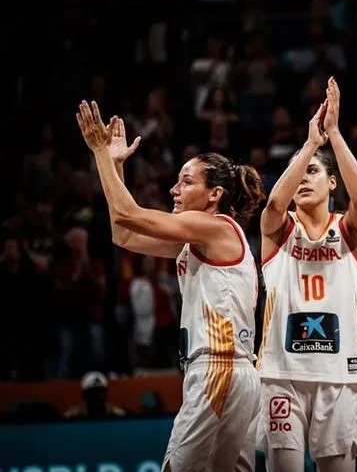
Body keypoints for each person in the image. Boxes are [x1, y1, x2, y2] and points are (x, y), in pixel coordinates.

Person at [76, 101, 264, 472]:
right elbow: (123, 233)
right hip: (233, 370)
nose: (174, 190)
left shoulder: (217, 227)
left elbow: (126, 213)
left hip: (218, 367)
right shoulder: (198, 239)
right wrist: (115, 164)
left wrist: (99, 152)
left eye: (187, 181)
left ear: (215, 195)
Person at [256, 78, 357, 472]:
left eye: (315, 172)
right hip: (280, 373)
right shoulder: (277, 230)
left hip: (339, 373)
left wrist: (334, 135)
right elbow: (274, 200)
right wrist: (308, 148)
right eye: (300, 173)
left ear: (332, 182)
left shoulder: (349, 231)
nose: (305, 177)